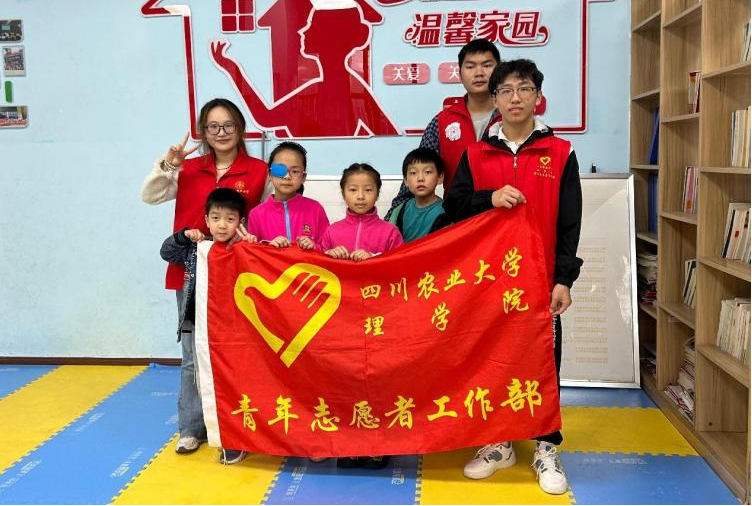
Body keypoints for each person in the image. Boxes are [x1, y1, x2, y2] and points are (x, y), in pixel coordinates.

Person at [444, 59, 583, 495]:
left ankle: (546, 445)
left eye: (524, 89)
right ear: (496, 99)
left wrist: (564, 279)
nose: (515, 98)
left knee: (543, 360)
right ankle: (499, 442)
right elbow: (455, 206)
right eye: (506, 91)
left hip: (541, 280)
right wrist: (490, 198)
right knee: (492, 360)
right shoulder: (476, 154)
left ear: (538, 97)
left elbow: (570, 222)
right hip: (489, 282)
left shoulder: (560, 152)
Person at [141, 98, 268, 455]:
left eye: (228, 125)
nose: (221, 132)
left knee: (239, 352)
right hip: (190, 273)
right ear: (203, 132)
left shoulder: (258, 171)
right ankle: (191, 428)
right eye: (213, 126)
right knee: (191, 355)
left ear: (240, 128)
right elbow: (149, 196)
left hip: (236, 276)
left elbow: (263, 219)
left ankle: (238, 428)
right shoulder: (189, 167)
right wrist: (168, 165)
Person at [160, 188, 255, 465]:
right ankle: (190, 430)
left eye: (230, 219)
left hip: (232, 328)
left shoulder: (244, 249)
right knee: (192, 366)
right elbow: (166, 252)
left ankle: (234, 433)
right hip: (195, 320)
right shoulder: (196, 249)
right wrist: (183, 235)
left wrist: (251, 244)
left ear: (241, 222)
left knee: (232, 372)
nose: (222, 225)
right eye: (216, 218)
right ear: (206, 220)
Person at [319, 163, 402, 469]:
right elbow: (316, 270)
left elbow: (401, 270)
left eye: (368, 189)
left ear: (378, 193)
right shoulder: (332, 232)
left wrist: (376, 259)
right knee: (344, 379)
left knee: (377, 380)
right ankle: (349, 444)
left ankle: (378, 444)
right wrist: (329, 255)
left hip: (378, 321)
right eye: (353, 189)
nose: (360, 196)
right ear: (343, 193)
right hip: (341, 322)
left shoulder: (389, 232)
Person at [386, 39, 501, 218]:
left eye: (487, 65)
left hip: (501, 217)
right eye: (470, 66)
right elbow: (418, 167)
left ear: (499, 71)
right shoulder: (442, 122)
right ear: (460, 74)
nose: (479, 73)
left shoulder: (511, 119)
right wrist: (392, 219)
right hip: (456, 219)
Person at [246, 142, 329, 250]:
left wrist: (314, 247)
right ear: (270, 174)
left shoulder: (315, 209)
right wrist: (269, 247)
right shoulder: (256, 214)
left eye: (294, 171)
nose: (287, 176)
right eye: (279, 170)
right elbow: (254, 252)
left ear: (303, 177)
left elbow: (327, 249)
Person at [387, 147, 450, 242]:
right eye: (413, 173)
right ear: (406, 181)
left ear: (440, 177)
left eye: (427, 172)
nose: (420, 178)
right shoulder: (399, 211)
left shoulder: (447, 212)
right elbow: (388, 242)